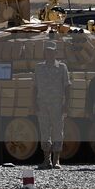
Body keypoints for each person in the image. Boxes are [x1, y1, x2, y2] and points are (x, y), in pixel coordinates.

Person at [33, 39, 72, 168]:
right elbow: (35, 87)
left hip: (57, 105)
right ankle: (46, 160)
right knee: (44, 132)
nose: (49, 54)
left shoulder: (62, 67)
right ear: (45, 53)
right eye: (47, 52)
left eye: (52, 52)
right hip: (42, 104)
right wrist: (34, 103)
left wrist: (66, 104)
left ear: (56, 53)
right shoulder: (39, 67)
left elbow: (67, 87)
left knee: (57, 132)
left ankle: (57, 161)